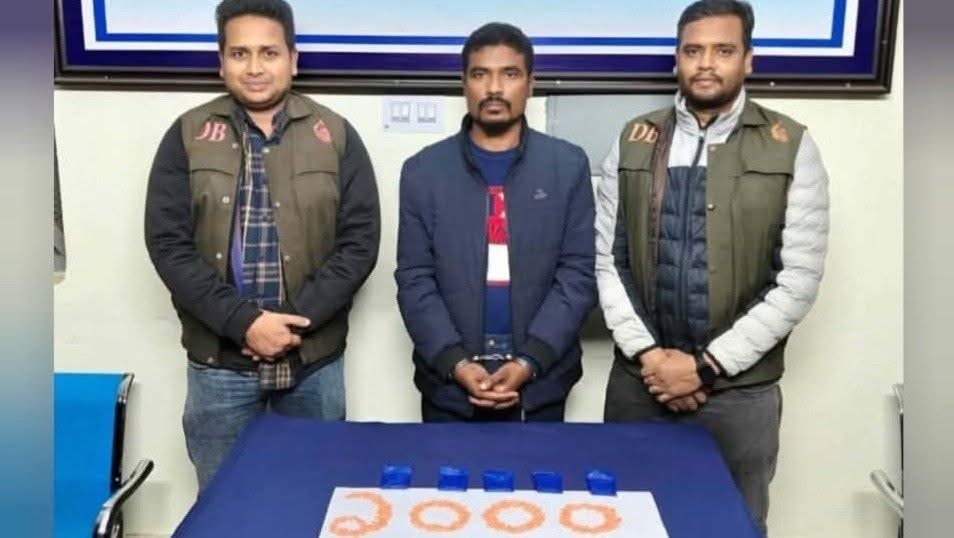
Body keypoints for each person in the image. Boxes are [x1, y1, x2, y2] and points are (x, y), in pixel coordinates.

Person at [595, 1, 829, 534]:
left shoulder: (791, 145)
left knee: (730, 526)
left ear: (748, 59)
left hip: (739, 395)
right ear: (677, 59)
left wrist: (703, 368)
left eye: (723, 50)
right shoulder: (634, 138)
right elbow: (607, 259)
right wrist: (653, 359)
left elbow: (797, 281)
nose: (705, 63)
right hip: (641, 384)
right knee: (621, 523)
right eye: (693, 50)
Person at [144, 0, 380, 490]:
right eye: (240, 53)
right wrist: (245, 323)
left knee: (316, 495)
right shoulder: (187, 135)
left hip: (312, 361)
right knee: (225, 502)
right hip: (220, 365)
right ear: (221, 62)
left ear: (293, 60)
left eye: (269, 53)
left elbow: (360, 243)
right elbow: (168, 245)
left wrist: (291, 324)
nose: (254, 67)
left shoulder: (335, 135)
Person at [395, 22, 596, 422]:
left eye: (510, 74)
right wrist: (455, 363)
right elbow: (415, 280)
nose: (494, 88)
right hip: (448, 390)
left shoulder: (568, 166)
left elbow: (577, 274)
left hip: (541, 386)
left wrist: (529, 361)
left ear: (531, 84)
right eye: (480, 74)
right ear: (464, 83)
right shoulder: (422, 171)